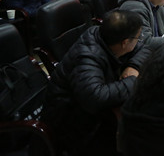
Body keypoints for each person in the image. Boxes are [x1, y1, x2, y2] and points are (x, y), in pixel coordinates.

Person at [41, 10, 149, 156]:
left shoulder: (105, 36)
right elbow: (95, 97)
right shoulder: (87, 56)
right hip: (73, 124)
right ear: (124, 43)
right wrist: (134, 80)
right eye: (138, 37)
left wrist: (133, 66)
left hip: (92, 111)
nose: (140, 39)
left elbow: (145, 48)